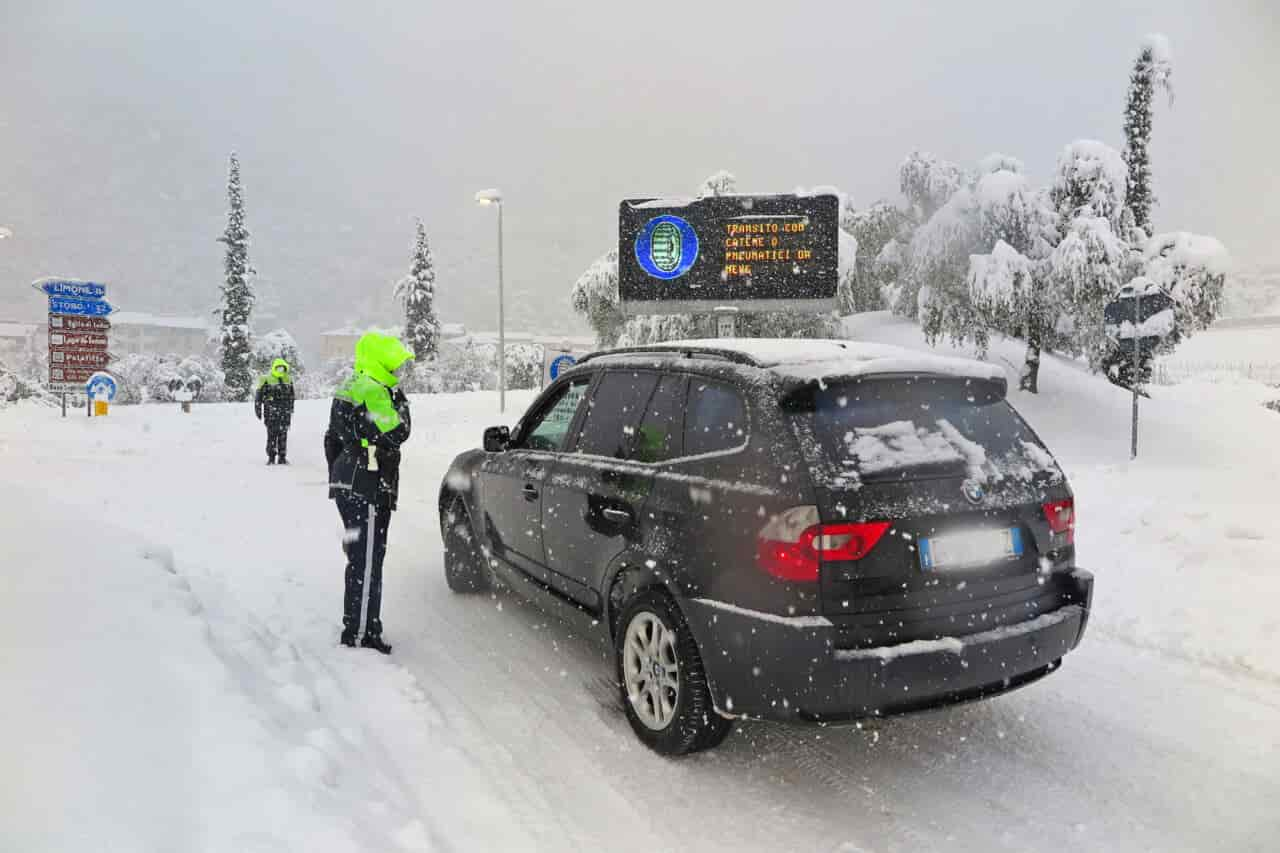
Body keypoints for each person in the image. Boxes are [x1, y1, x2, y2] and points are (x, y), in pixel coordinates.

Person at [324, 332, 413, 653]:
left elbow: (330, 438)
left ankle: (359, 624)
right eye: (396, 363)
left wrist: (339, 473)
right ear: (381, 360)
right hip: (368, 482)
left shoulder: (351, 384)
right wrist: (399, 400)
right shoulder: (375, 391)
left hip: (348, 479)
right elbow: (398, 431)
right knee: (367, 562)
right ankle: (361, 634)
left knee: (359, 557)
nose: (400, 371)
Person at [254, 358, 295, 464]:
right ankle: (271, 457)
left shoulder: (288, 379)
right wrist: (258, 409)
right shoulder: (266, 379)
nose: (281, 370)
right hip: (271, 413)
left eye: (283, 368)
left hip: (284, 413)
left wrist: (291, 409)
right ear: (274, 367)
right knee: (271, 435)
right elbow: (259, 396)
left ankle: (282, 457)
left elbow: (291, 396)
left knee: (283, 435)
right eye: (279, 367)